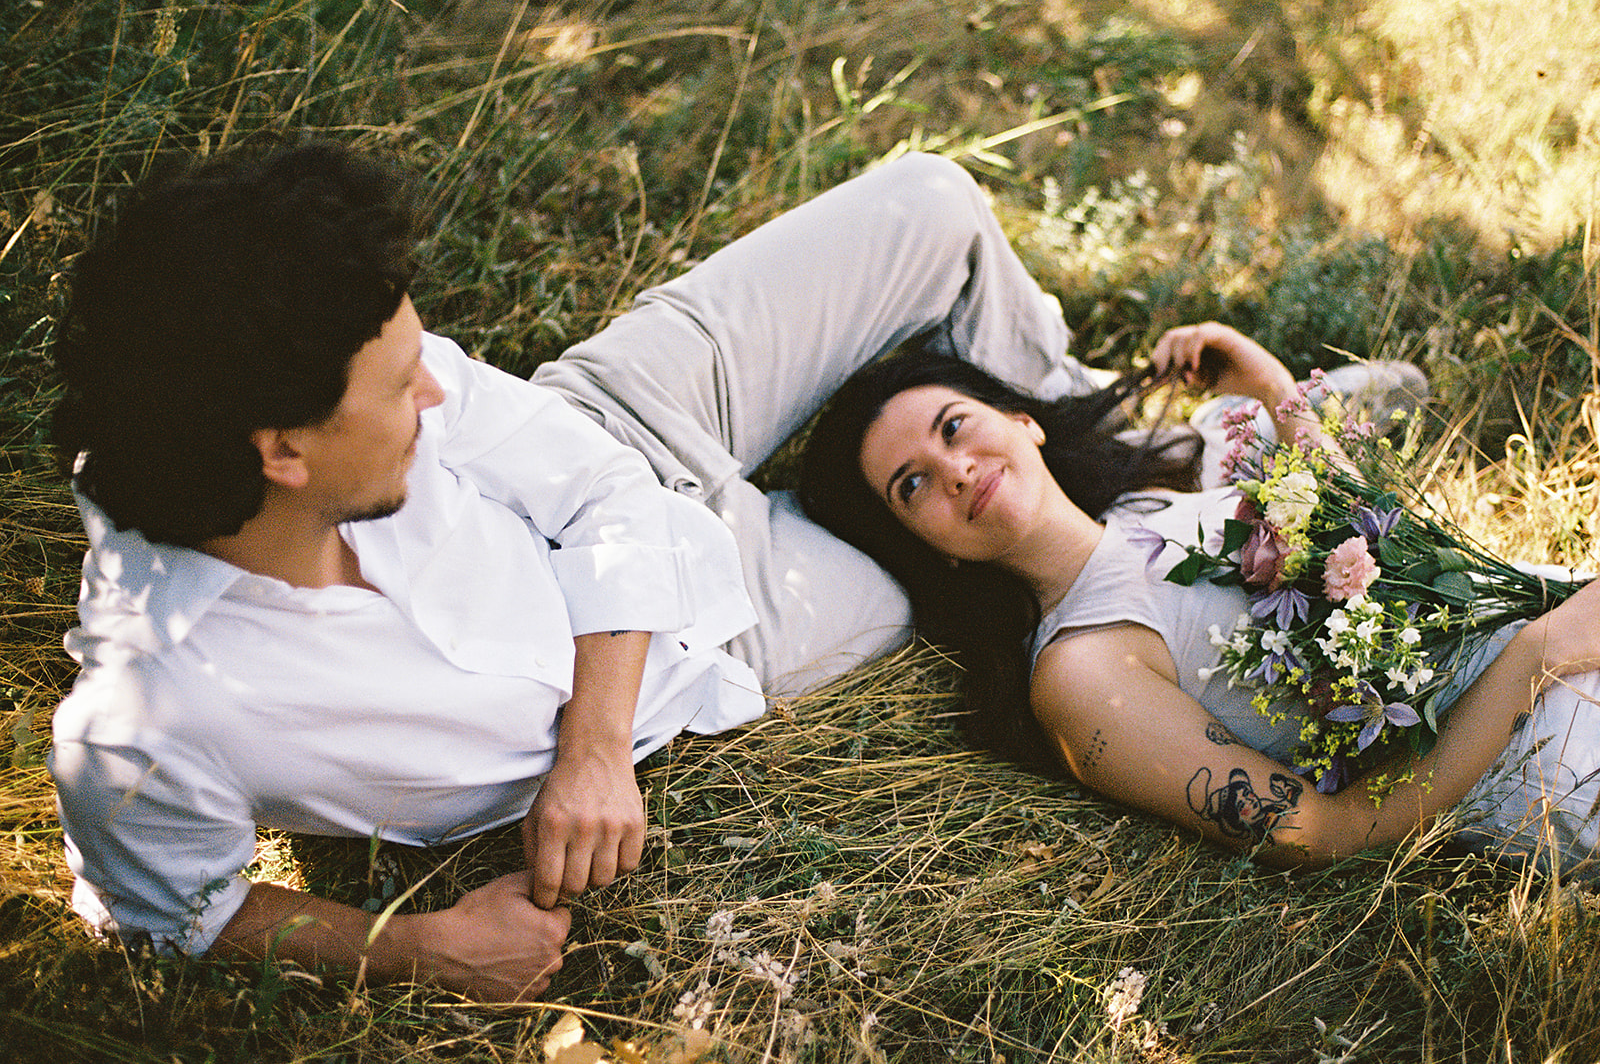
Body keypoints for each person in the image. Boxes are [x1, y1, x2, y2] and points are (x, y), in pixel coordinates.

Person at [47, 139, 1142, 1002]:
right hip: (719, 630)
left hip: (624, 420)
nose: (433, 389)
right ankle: (1085, 527)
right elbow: (167, 906)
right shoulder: (156, 715)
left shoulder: (326, 371)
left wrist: (593, 748)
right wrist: (421, 946)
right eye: (395, 387)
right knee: (914, 568)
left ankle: (1107, 439)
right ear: (279, 451)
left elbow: (600, 485)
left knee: (932, 205)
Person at [797, 325, 1600, 877]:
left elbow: (1364, 545)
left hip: (1553, 613)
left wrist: (1276, 392)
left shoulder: (1147, 509)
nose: (957, 470)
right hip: (1550, 752)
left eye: (953, 426)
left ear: (1023, 422)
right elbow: (1325, 834)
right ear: (924, 548)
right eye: (914, 486)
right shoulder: (1082, 674)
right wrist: (1537, 659)